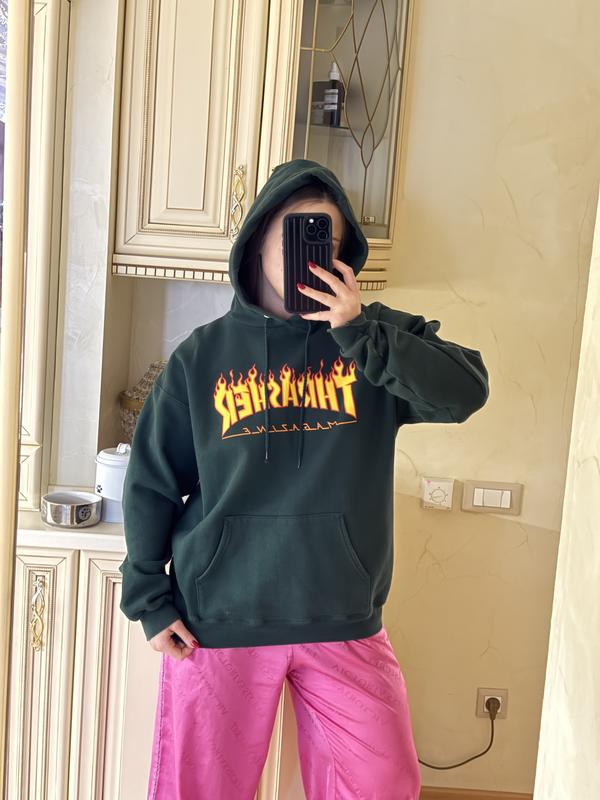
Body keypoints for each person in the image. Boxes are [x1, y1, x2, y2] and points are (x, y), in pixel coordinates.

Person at [118, 158, 490, 799]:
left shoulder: (374, 338)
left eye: (327, 239)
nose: (311, 254)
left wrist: (359, 333)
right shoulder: (201, 357)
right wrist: (149, 599)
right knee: (199, 790)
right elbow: (152, 481)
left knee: (382, 786)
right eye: (297, 234)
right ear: (259, 237)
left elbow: (466, 390)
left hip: (342, 616)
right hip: (219, 619)